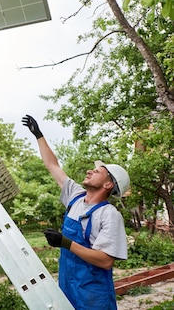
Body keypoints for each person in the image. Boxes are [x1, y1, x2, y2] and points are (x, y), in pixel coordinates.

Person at [22, 114, 130, 310]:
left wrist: (65, 243)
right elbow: (52, 165)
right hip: (67, 287)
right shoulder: (76, 197)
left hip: (93, 296)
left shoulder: (109, 215)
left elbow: (105, 261)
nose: (89, 171)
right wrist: (39, 135)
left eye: (96, 172)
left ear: (108, 184)